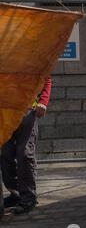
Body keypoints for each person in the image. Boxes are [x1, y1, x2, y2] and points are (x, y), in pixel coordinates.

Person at [1, 77, 52, 214]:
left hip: (27, 111)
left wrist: (43, 102)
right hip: (4, 113)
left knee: (24, 154)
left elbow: (45, 78)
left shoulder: (29, 56)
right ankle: (15, 192)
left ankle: (28, 197)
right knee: (5, 154)